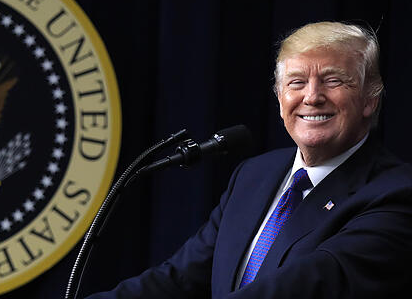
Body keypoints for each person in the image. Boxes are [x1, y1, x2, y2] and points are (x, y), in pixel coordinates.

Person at [87, 21, 412, 298]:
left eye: (334, 80)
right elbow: (180, 279)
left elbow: (306, 285)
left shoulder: (397, 193)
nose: (312, 96)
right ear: (279, 97)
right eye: (296, 82)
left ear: (371, 98)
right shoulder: (255, 175)